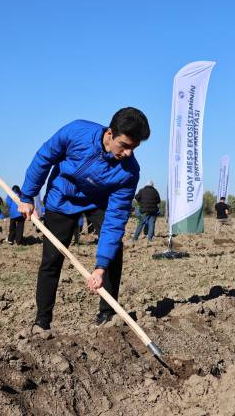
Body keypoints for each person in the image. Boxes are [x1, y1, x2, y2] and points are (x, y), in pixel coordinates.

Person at [16, 107, 150, 331]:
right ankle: (42, 321)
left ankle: (107, 315)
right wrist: (28, 195)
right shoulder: (76, 132)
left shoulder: (129, 171)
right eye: (124, 145)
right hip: (63, 196)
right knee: (51, 258)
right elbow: (44, 157)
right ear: (110, 134)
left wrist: (100, 266)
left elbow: (116, 218)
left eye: (133, 148)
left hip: (98, 201)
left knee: (113, 253)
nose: (128, 153)